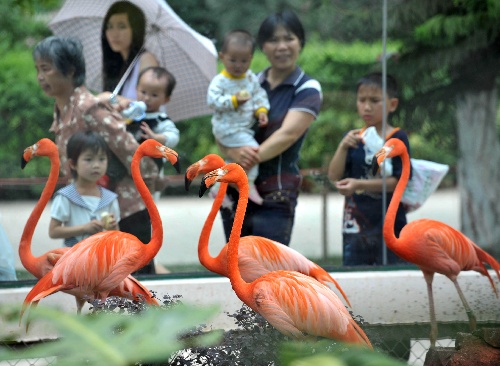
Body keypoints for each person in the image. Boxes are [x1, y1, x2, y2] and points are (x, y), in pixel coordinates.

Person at [34, 35, 159, 275]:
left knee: (136, 286)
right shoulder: (62, 110)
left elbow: (133, 152)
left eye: (46, 69)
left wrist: (148, 186)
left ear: (69, 70)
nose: (40, 76)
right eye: (38, 69)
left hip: (125, 211)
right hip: (94, 215)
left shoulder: (88, 108)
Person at [217, 10, 322, 246]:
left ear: (301, 43)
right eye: (273, 40)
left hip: (277, 192)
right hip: (236, 190)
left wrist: (247, 158)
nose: (281, 46)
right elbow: (223, 126)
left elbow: (288, 134)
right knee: (238, 265)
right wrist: (233, 153)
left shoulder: (307, 88)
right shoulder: (248, 83)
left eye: (289, 38)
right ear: (262, 47)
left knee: (269, 270)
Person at [327, 72, 411, 266]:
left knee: (392, 270)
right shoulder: (355, 138)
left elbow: (399, 181)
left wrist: (358, 184)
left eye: (374, 100)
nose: (367, 106)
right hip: (356, 224)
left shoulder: (396, 138)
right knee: (357, 270)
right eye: (361, 100)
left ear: (392, 104)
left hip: (389, 222)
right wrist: (342, 146)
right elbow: (334, 175)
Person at [207, 29, 270, 206]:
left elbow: (259, 95)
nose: (238, 65)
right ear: (222, 56)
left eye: (243, 61)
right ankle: (247, 182)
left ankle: (217, 188)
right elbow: (212, 101)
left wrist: (261, 111)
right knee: (253, 149)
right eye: (232, 60)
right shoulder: (220, 81)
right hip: (227, 128)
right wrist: (233, 101)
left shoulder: (250, 78)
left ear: (250, 58)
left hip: (243, 128)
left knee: (234, 159)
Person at [49, 131, 120, 247]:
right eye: (89, 159)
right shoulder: (66, 196)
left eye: (101, 159)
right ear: (72, 164)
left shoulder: (110, 198)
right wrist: (84, 228)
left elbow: (117, 235)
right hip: (73, 259)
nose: (96, 165)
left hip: (101, 261)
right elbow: (53, 231)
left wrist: (113, 227)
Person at [97, 1, 159, 111]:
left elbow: (150, 107)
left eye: (122, 26)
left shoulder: (146, 60)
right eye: (109, 26)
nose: (114, 33)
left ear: (135, 30)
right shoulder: (120, 64)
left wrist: (110, 98)